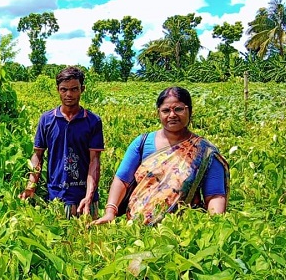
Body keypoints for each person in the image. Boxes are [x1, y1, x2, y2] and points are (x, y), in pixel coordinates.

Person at [91, 86, 229, 226]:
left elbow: (215, 195)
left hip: (181, 229)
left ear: (190, 111)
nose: (172, 115)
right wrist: (110, 212)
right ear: (158, 113)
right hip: (134, 228)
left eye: (179, 109)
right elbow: (122, 180)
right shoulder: (142, 143)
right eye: (166, 110)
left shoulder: (204, 151)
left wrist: (214, 226)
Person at [19, 66, 104, 219]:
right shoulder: (47, 119)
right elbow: (38, 155)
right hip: (56, 197)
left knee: (89, 240)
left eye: (74, 89)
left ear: (82, 89)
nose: (69, 94)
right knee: (58, 238)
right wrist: (31, 186)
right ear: (58, 89)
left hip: (85, 198)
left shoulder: (92, 121)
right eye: (64, 89)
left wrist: (89, 195)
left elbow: (94, 161)